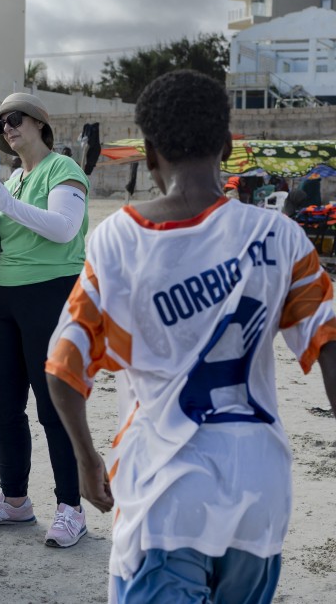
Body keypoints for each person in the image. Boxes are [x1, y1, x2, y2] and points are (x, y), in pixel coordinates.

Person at [45, 69, 336, 603]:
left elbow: (65, 365)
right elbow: (332, 344)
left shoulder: (119, 239)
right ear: (227, 146)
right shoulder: (280, 236)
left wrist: (87, 461)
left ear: (150, 154)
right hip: (260, 490)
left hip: (165, 493)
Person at [0, 92, 90, 548]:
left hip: (52, 293)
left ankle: (71, 508)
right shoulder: (14, 179)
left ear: (39, 122)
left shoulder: (64, 170)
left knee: (54, 406)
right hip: (4, 294)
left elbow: (62, 228)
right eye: (0, 124)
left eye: (15, 119)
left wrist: (2, 198)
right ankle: (15, 500)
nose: (7, 129)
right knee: (3, 405)